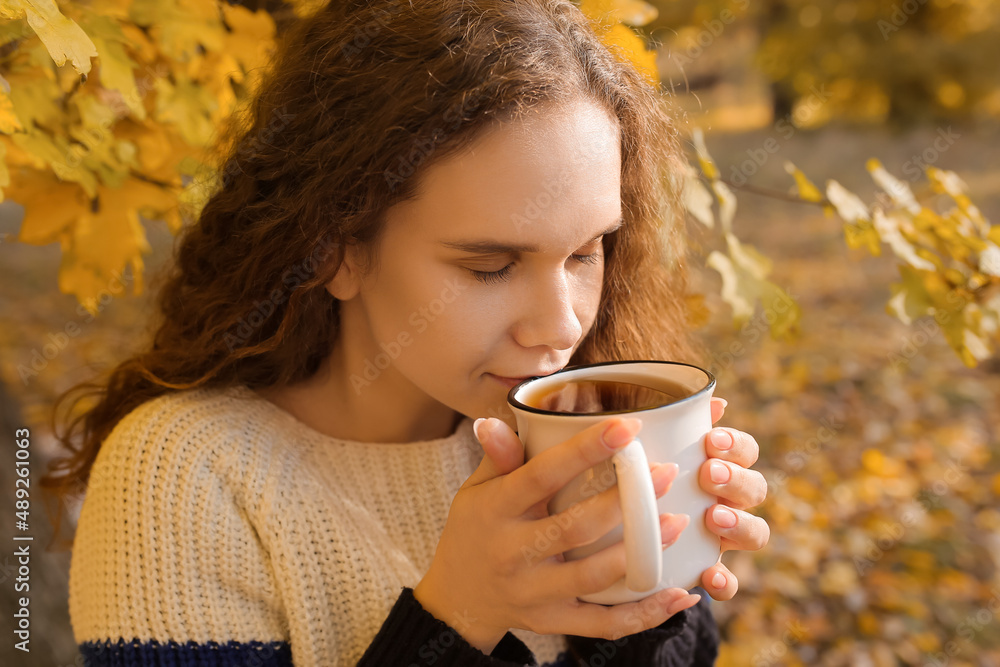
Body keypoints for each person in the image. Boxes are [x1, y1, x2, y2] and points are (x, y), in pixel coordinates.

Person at [42, 0, 770, 665]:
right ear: (336, 247)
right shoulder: (184, 476)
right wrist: (458, 615)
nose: (562, 325)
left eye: (585, 252)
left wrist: (653, 577)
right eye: (490, 265)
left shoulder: (573, 437)